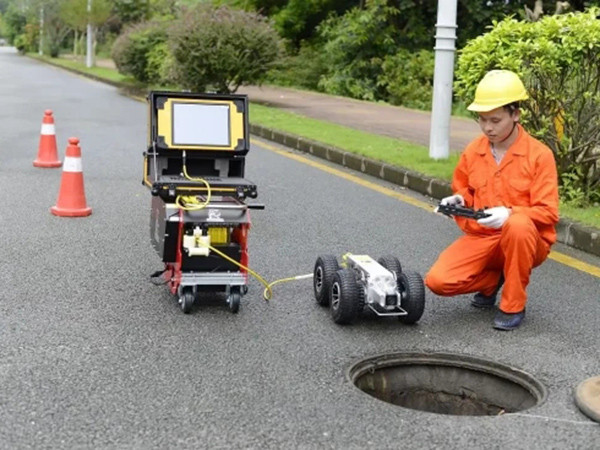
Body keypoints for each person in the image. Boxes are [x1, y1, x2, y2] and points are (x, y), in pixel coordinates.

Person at [425, 69, 559, 330]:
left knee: (518, 225)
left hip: (526, 241)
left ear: (515, 114)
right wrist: (458, 201)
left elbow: (548, 212)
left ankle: (513, 304)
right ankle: (491, 281)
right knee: (437, 281)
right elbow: (465, 190)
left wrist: (510, 213)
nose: (488, 127)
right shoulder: (474, 151)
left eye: (495, 120)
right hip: (483, 237)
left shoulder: (539, 155)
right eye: (482, 120)